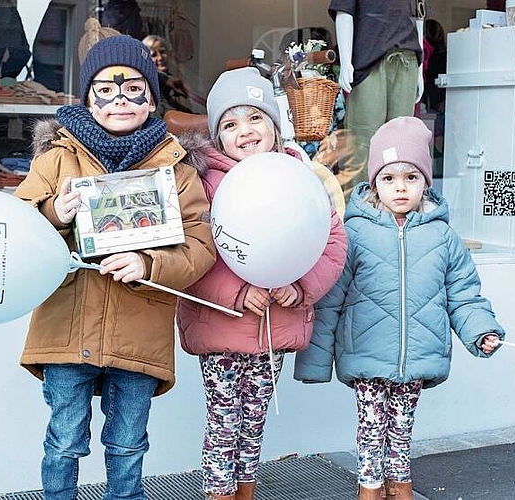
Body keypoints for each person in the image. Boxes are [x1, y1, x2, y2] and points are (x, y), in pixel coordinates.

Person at [13, 35, 216, 500]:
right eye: (106, 90)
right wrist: (53, 214)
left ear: (151, 98)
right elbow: (16, 232)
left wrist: (149, 263)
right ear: (87, 97)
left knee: (128, 445)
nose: (120, 100)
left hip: (138, 330)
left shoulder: (178, 168)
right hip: (67, 326)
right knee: (64, 442)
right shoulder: (56, 159)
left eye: (134, 89)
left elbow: (200, 245)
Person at [294, 116, 505, 500]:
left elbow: (463, 293)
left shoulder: (442, 235)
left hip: (417, 355)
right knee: (372, 428)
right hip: (368, 353)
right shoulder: (355, 232)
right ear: (374, 182)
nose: (401, 188)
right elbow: (331, 298)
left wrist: (481, 331)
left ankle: (400, 486)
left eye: (411, 177)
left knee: (402, 426)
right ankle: (371, 489)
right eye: (389, 178)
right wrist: (315, 361)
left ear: (426, 181)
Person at [176, 67, 348, 500]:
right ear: (217, 137)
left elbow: (331, 240)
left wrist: (303, 286)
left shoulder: (300, 177)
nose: (245, 131)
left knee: (253, 426)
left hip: (276, 327)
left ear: (274, 125)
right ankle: (219, 493)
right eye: (230, 125)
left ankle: (245, 491)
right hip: (223, 329)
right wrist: (236, 292)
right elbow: (194, 253)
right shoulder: (206, 184)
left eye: (254, 118)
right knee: (223, 424)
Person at [329, 0, 423, 203]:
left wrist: (420, 70)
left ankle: (397, 212)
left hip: (407, 57)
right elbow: (344, 11)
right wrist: (346, 62)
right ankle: (359, 212)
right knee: (364, 141)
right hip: (370, 59)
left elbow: (419, 14)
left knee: (401, 144)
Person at [142, 34, 194, 116]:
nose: (160, 58)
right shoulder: (146, 83)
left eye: (162, 52)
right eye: (154, 55)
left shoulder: (174, 81)